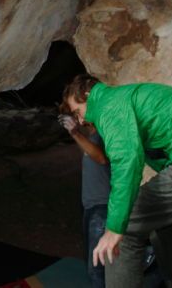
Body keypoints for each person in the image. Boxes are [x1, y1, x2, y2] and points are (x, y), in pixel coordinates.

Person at [60, 73, 172, 288]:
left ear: (87, 94)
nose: (80, 120)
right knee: (164, 228)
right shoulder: (126, 100)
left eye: (78, 112)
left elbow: (126, 159)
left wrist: (115, 229)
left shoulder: (109, 104)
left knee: (126, 225)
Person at [58, 110, 110, 288]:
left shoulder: (103, 133)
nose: (78, 119)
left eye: (78, 113)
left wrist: (75, 132)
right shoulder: (91, 136)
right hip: (91, 206)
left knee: (97, 269)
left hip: (102, 207)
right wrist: (76, 132)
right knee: (94, 265)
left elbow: (101, 158)